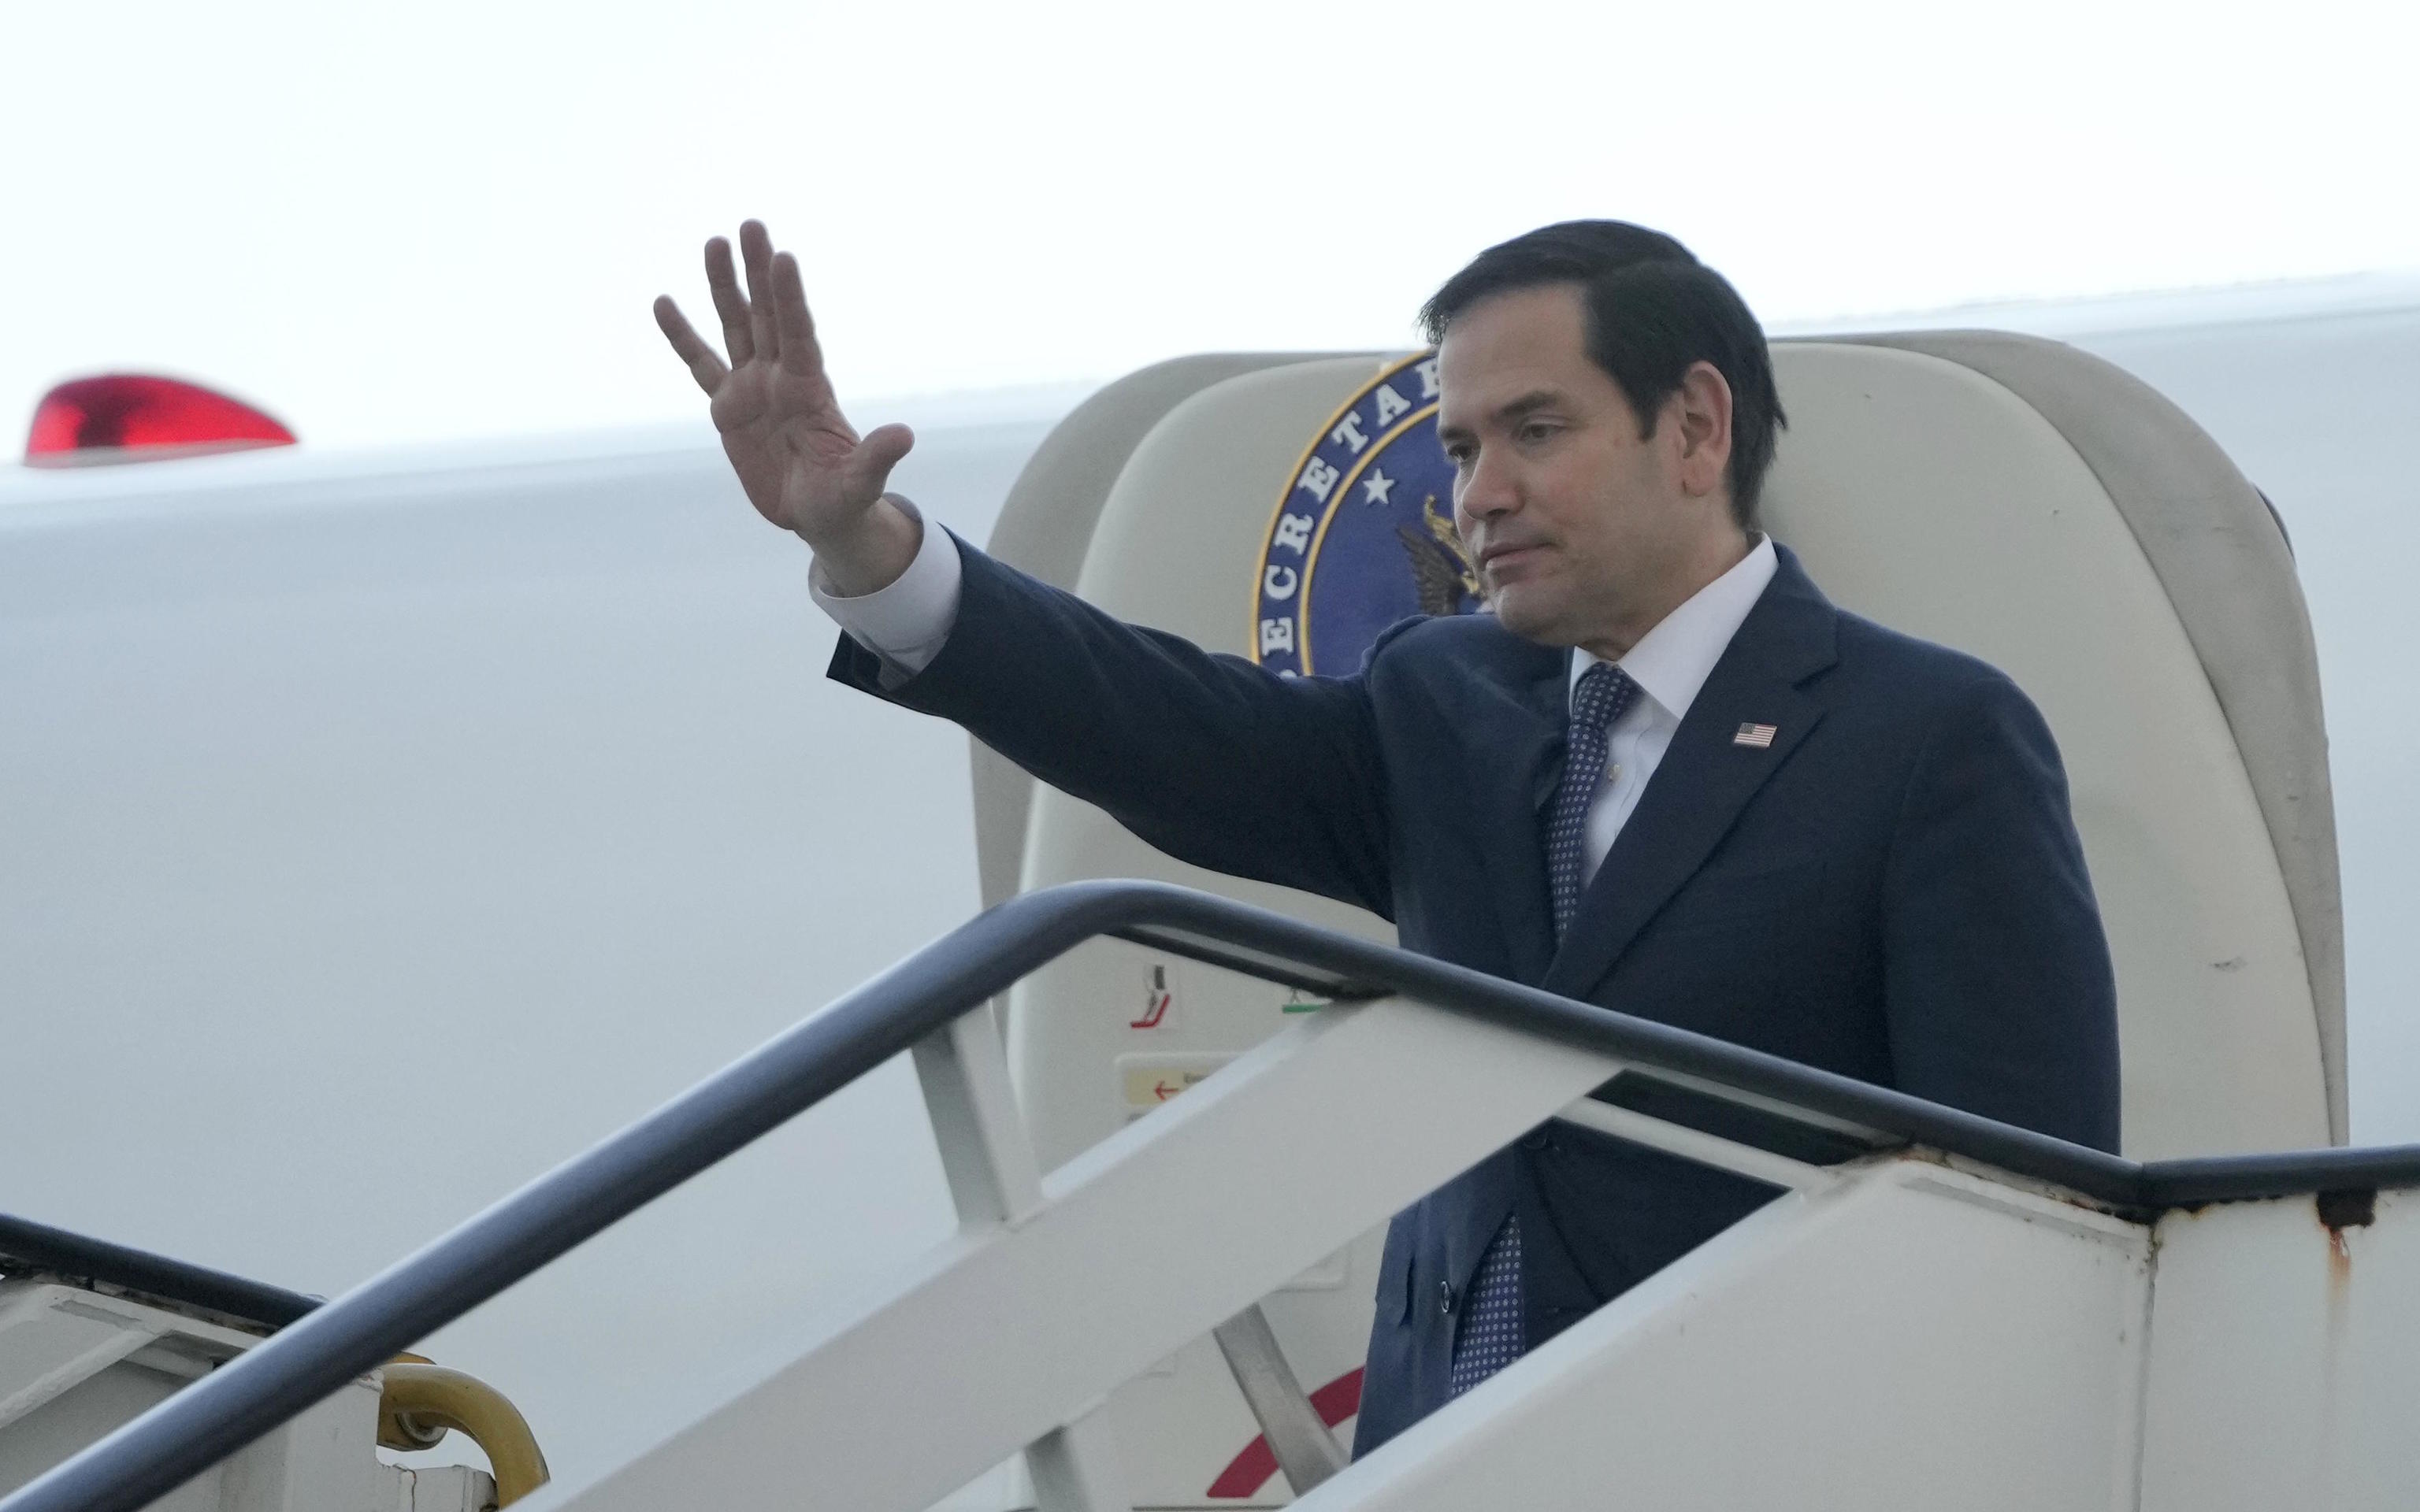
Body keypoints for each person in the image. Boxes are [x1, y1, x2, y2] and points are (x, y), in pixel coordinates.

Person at [652, 218, 2121, 1455]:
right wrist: (872, 557)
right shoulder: (1445, 699)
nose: (1476, 494)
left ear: (1694, 428)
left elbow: (2032, 1216)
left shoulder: (1930, 739)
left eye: (1533, 432)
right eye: (1463, 443)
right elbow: (1164, 728)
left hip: (1750, 1456)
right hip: (1439, 1450)